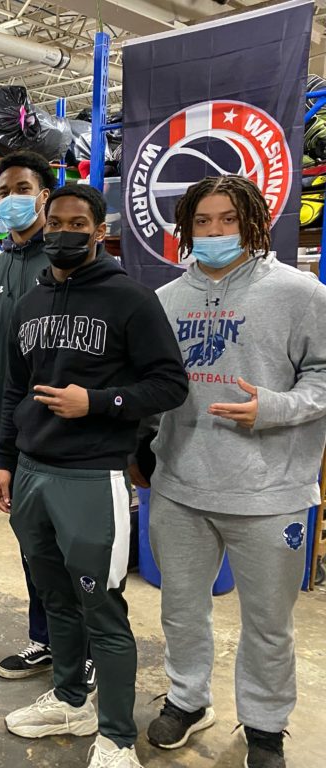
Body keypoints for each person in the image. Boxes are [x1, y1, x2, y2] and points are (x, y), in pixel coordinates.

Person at [0, 185, 188, 768]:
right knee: (53, 597)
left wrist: (97, 403)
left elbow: (169, 384)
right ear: (43, 225)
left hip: (91, 477)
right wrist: (4, 457)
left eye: (79, 223)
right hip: (30, 472)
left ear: (100, 231)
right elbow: (12, 387)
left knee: (101, 605)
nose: (65, 231)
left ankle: (118, 735)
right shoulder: (30, 300)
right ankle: (73, 698)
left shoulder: (130, 298)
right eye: (57, 221)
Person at [141, 176, 326, 768]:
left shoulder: (301, 293)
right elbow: (149, 385)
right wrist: (140, 450)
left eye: (228, 219)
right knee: (180, 609)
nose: (216, 232)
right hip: (180, 487)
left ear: (254, 222)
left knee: (269, 625)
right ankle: (188, 699)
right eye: (202, 221)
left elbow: (322, 375)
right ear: (185, 229)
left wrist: (273, 408)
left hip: (271, 490)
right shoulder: (165, 301)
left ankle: (266, 726)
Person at [0, 150, 70, 681]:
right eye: (3, 191)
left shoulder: (67, 266)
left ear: (44, 195)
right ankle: (45, 639)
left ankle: (84, 650)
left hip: (72, 435)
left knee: (75, 550)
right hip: (17, 434)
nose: (12, 199)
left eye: (22, 188)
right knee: (32, 544)